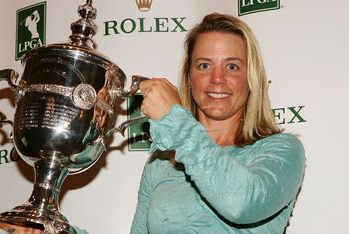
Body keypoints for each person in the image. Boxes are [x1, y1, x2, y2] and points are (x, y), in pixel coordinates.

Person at [130, 13, 305, 233]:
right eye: (204, 66)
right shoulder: (161, 162)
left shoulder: (282, 150)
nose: (217, 79)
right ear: (189, 77)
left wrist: (176, 121)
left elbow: (241, 204)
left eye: (232, 67)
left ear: (251, 77)